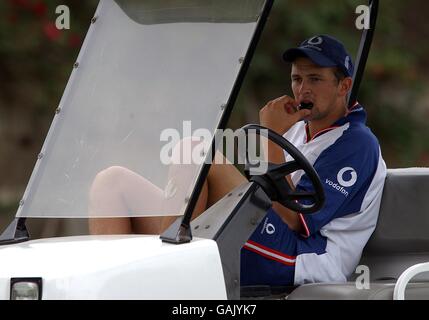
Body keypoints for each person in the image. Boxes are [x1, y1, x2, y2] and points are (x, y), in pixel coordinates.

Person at [88, 34, 386, 286]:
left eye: (315, 79)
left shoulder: (357, 143)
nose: (303, 89)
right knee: (112, 183)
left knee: (194, 151)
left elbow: (296, 219)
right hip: (275, 236)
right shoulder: (297, 128)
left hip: (305, 258)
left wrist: (269, 136)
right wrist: (271, 138)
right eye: (297, 78)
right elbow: (260, 188)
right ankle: (110, 285)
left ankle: (165, 273)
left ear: (343, 86)